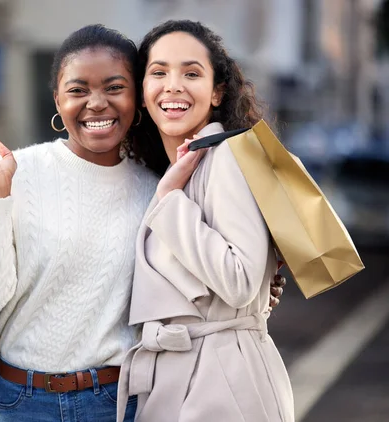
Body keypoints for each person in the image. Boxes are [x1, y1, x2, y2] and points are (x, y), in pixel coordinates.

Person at [0, 24, 285, 422]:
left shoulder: (159, 188)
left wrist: (261, 294)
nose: (96, 103)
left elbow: (204, 285)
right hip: (22, 402)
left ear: (137, 99)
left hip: (119, 401)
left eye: (114, 87)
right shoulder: (13, 173)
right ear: (57, 99)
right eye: (78, 90)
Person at [116, 20, 294, 422]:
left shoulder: (227, 158)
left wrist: (168, 201)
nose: (173, 85)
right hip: (181, 382)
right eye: (158, 72)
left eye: (191, 73)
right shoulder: (179, 169)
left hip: (221, 387)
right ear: (143, 94)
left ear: (217, 92)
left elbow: (239, 281)